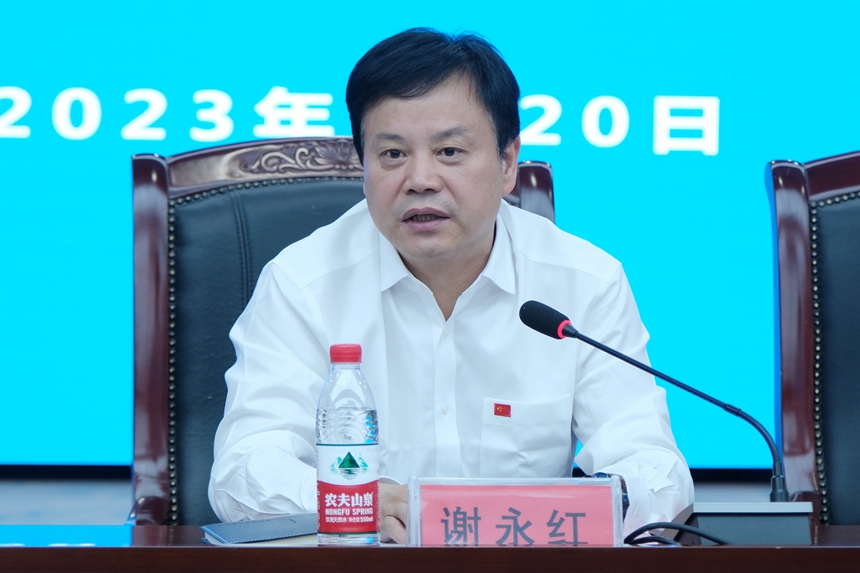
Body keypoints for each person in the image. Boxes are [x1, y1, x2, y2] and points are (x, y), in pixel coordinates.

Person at [208, 28, 693, 543]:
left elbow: (652, 465)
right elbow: (243, 470)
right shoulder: (303, 283)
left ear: (508, 163)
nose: (420, 179)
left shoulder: (584, 283)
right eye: (392, 154)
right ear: (362, 166)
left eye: (450, 151)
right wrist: (359, 499)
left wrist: (593, 506)